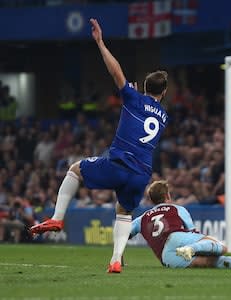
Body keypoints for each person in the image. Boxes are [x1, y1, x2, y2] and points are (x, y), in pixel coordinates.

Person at [30, 18, 170, 273]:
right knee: (124, 211)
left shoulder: (133, 98)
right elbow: (146, 116)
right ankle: (116, 259)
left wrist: (101, 42)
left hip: (119, 163)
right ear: (164, 93)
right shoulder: (163, 116)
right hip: (141, 174)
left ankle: (58, 219)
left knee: (75, 169)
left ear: (145, 87)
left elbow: (116, 72)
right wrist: (138, 97)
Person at [129, 180, 231, 269]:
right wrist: (199, 244)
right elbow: (192, 231)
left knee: (207, 262)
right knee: (220, 249)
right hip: (178, 237)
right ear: (167, 195)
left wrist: (118, 260)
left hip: (166, 257)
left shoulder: (141, 219)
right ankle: (192, 249)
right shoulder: (177, 209)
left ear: (151, 200)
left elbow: (123, 235)